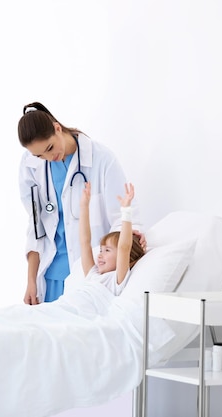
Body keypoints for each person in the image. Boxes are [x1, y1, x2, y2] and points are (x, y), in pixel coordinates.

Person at [18, 102, 144, 304]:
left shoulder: (102, 159)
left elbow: (122, 218)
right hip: (51, 277)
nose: (49, 158)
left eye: (50, 148)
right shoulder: (31, 166)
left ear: (57, 127)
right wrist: (31, 281)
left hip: (90, 273)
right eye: (40, 155)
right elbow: (36, 228)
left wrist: (131, 235)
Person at [79, 182, 145, 295]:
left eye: (107, 250)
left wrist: (126, 211)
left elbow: (124, 247)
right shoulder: (93, 275)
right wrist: (84, 206)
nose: (99, 255)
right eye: (101, 250)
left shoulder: (116, 280)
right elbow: (84, 242)